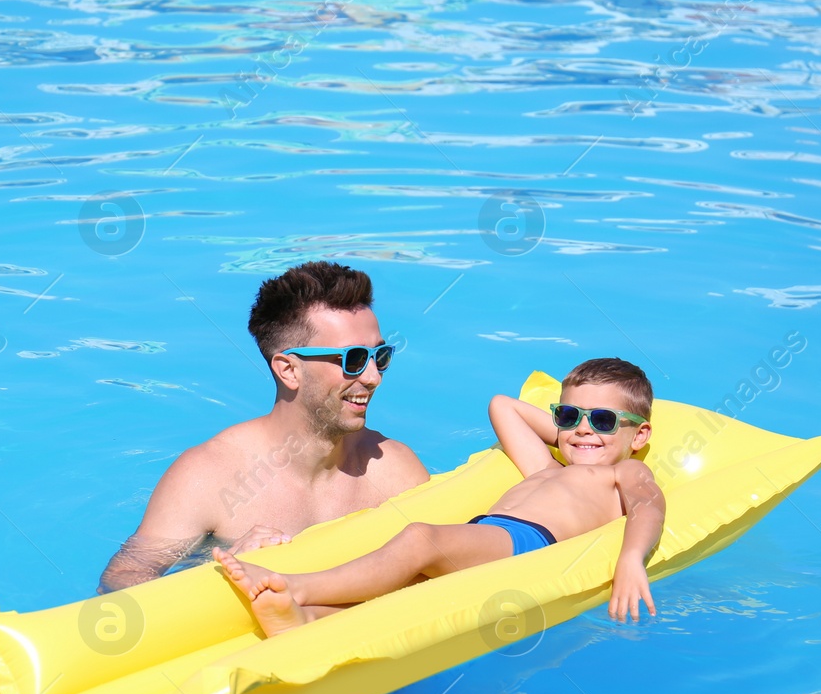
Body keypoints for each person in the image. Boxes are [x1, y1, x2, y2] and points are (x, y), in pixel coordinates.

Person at [215, 358, 666, 634]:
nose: (584, 429)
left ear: (640, 434)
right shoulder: (547, 467)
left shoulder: (625, 471)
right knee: (401, 591)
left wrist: (631, 559)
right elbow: (502, 405)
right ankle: (308, 619)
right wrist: (580, 435)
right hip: (487, 539)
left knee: (418, 539)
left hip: (527, 543)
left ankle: (295, 584)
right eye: (570, 416)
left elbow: (649, 505)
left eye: (603, 421)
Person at [98, 262, 430, 593]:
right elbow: (121, 580)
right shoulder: (208, 477)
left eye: (381, 356)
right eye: (353, 359)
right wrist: (219, 569)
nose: (373, 377)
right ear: (289, 370)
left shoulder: (395, 470)